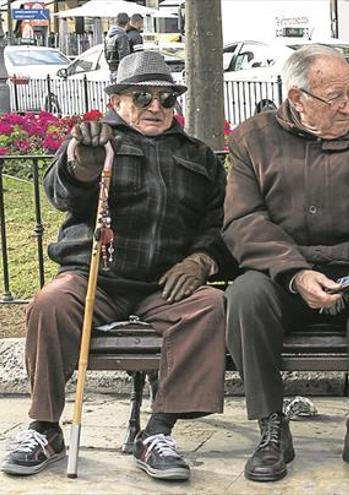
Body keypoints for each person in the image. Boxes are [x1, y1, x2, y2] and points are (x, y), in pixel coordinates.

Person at [0, 51, 228, 482]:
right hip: (95, 279)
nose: (156, 107)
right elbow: (62, 193)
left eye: (167, 98)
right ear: (118, 99)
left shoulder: (198, 156)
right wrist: (81, 163)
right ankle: (45, 428)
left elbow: (217, 223)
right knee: (48, 304)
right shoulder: (94, 141)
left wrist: (201, 260)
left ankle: (158, 432)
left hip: (163, 283)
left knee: (210, 304)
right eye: (143, 96)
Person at [223, 44, 349, 484]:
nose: (348, 107)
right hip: (284, 274)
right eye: (335, 98)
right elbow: (243, 220)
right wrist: (295, 273)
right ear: (298, 99)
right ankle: (271, 425)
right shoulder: (251, 140)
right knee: (243, 296)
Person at [105, 12, 131, 82]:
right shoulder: (122, 35)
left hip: (112, 69)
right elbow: (124, 55)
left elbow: (105, 54)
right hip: (121, 71)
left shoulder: (108, 36)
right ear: (128, 22)